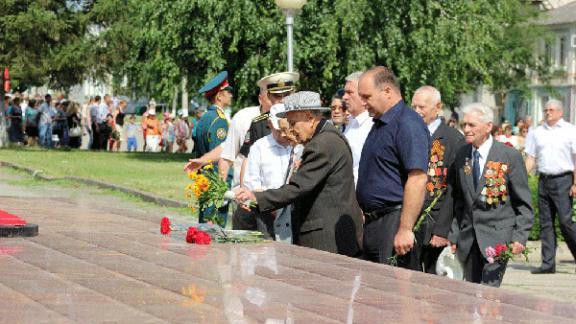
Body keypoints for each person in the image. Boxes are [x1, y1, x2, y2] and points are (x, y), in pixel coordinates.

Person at [236, 91, 363, 257]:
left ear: (309, 118)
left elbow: (297, 188)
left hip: (326, 240)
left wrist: (257, 198)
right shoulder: (324, 138)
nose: (291, 129)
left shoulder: (322, 144)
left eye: (293, 122)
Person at [448, 102, 533, 287]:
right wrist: (454, 235)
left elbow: (523, 203)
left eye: (472, 125)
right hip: (468, 240)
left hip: (497, 240)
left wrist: (519, 237)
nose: (466, 129)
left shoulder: (508, 156)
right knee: (470, 293)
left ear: (488, 126)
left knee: (488, 294)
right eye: (464, 125)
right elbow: (459, 200)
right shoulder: (462, 154)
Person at [356, 66, 430, 265]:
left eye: (367, 97)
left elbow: (417, 178)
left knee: (395, 293)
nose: (363, 103)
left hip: (394, 221)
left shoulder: (407, 123)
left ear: (387, 91)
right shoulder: (381, 123)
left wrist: (405, 229)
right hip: (376, 224)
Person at [409, 86, 465, 273]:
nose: (416, 112)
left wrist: (442, 230)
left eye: (422, 107)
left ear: (437, 107)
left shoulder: (453, 139)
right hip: (409, 220)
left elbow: (454, 189)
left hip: (435, 223)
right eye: (414, 106)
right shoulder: (407, 132)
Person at [525, 99, 576, 274]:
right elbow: (531, 158)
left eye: (551, 110)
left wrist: (575, 183)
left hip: (564, 179)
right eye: (546, 110)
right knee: (546, 224)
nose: (548, 113)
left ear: (560, 112)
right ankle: (548, 264)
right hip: (544, 180)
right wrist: (522, 179)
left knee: (565, 222)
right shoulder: (536, 132)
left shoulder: (570, 130)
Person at [244, 104, 293, 239]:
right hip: (266, 214)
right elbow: (252, 182)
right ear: (270, 124)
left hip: (292, 211)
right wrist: (269, 205)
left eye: (286, 128)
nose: (283, 134)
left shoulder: (297, 145)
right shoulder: (259, 147)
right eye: (279, 130)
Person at [193, 71, 233, 224]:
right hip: (215, 181)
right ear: (219, 96)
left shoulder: (205, 117)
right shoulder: (220, 121)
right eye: (227, 91)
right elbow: (220, 156)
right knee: (215, 230)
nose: (230, 95)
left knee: (204, 228)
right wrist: (221, 188)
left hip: (204, 178)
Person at [343, 71, 374, 185]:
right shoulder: (350, 122)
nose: (344, 97)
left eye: (349, 92)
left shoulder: (373, 125)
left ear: (363, 96)